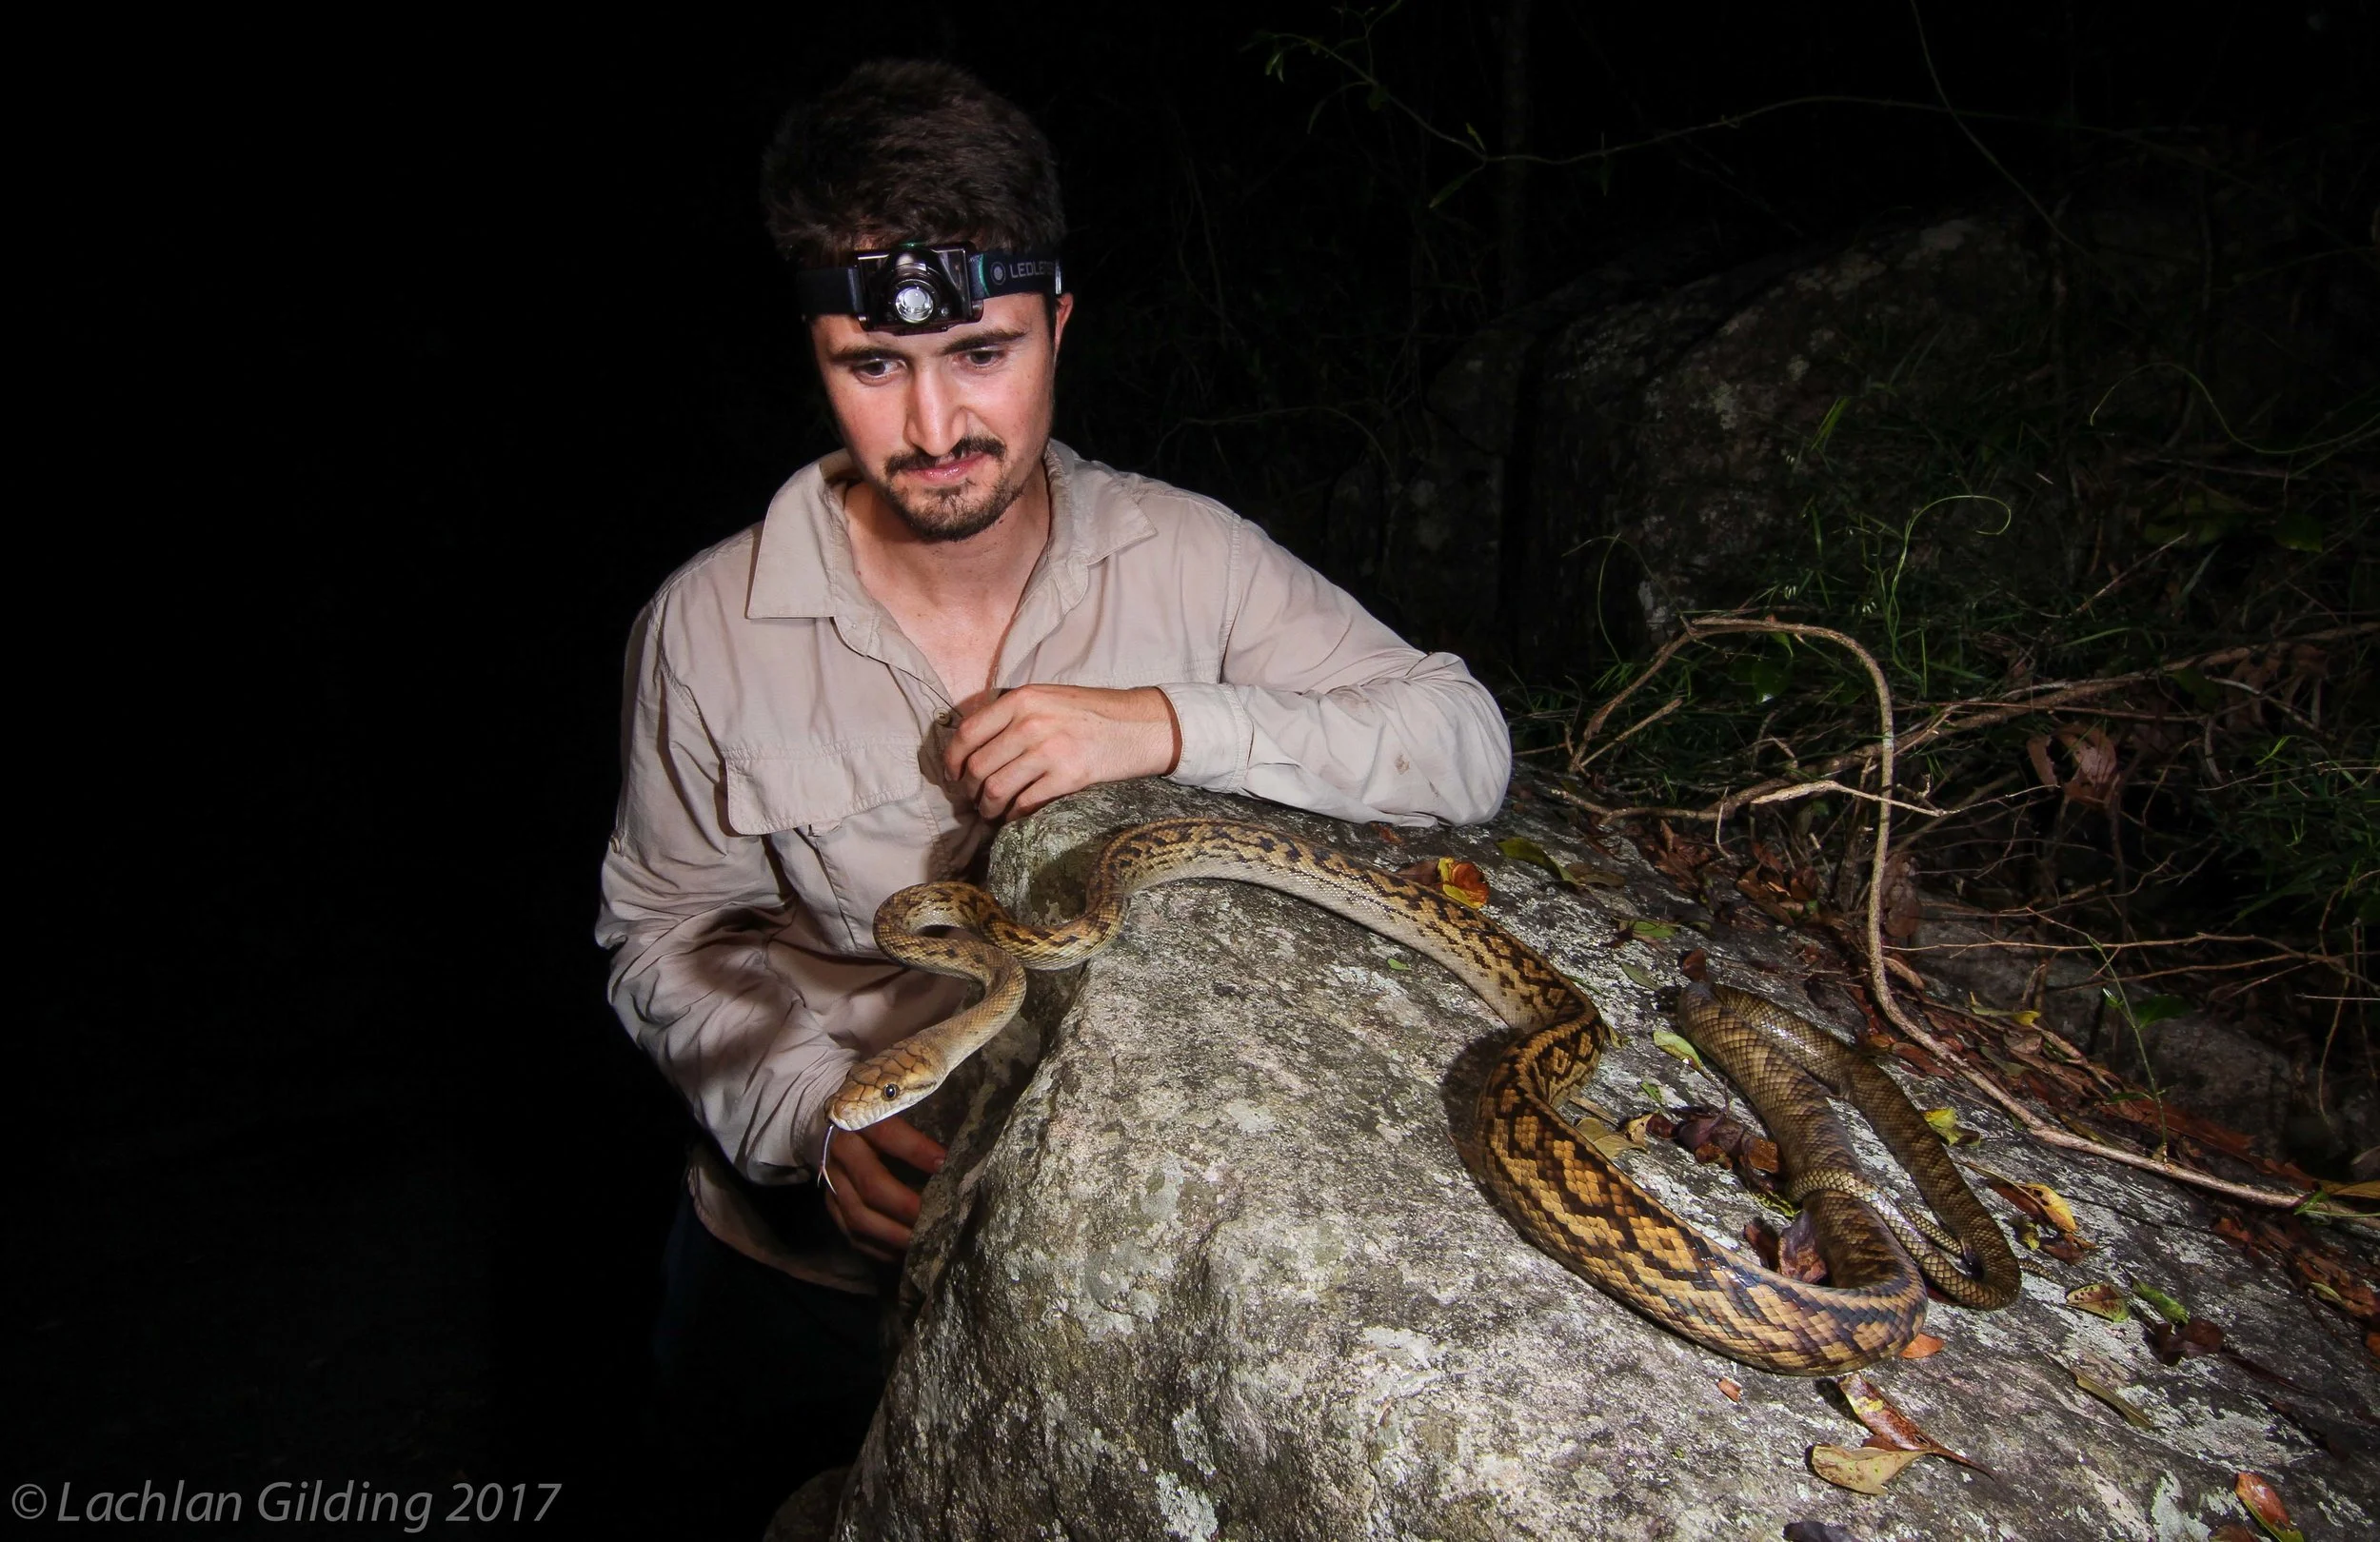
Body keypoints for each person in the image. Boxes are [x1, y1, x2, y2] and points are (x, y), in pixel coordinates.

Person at [595, 57, 1512, 1533]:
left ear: (1059, 325)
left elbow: (1460, 742)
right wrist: (807, 1114)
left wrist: (1163, 721)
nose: (935, 424)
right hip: (798, 1284)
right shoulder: (704, 630)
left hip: (1101, 1284)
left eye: (983, 352)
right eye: (874, 366)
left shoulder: (1192, 559)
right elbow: (660, 932)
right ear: (815, 356)